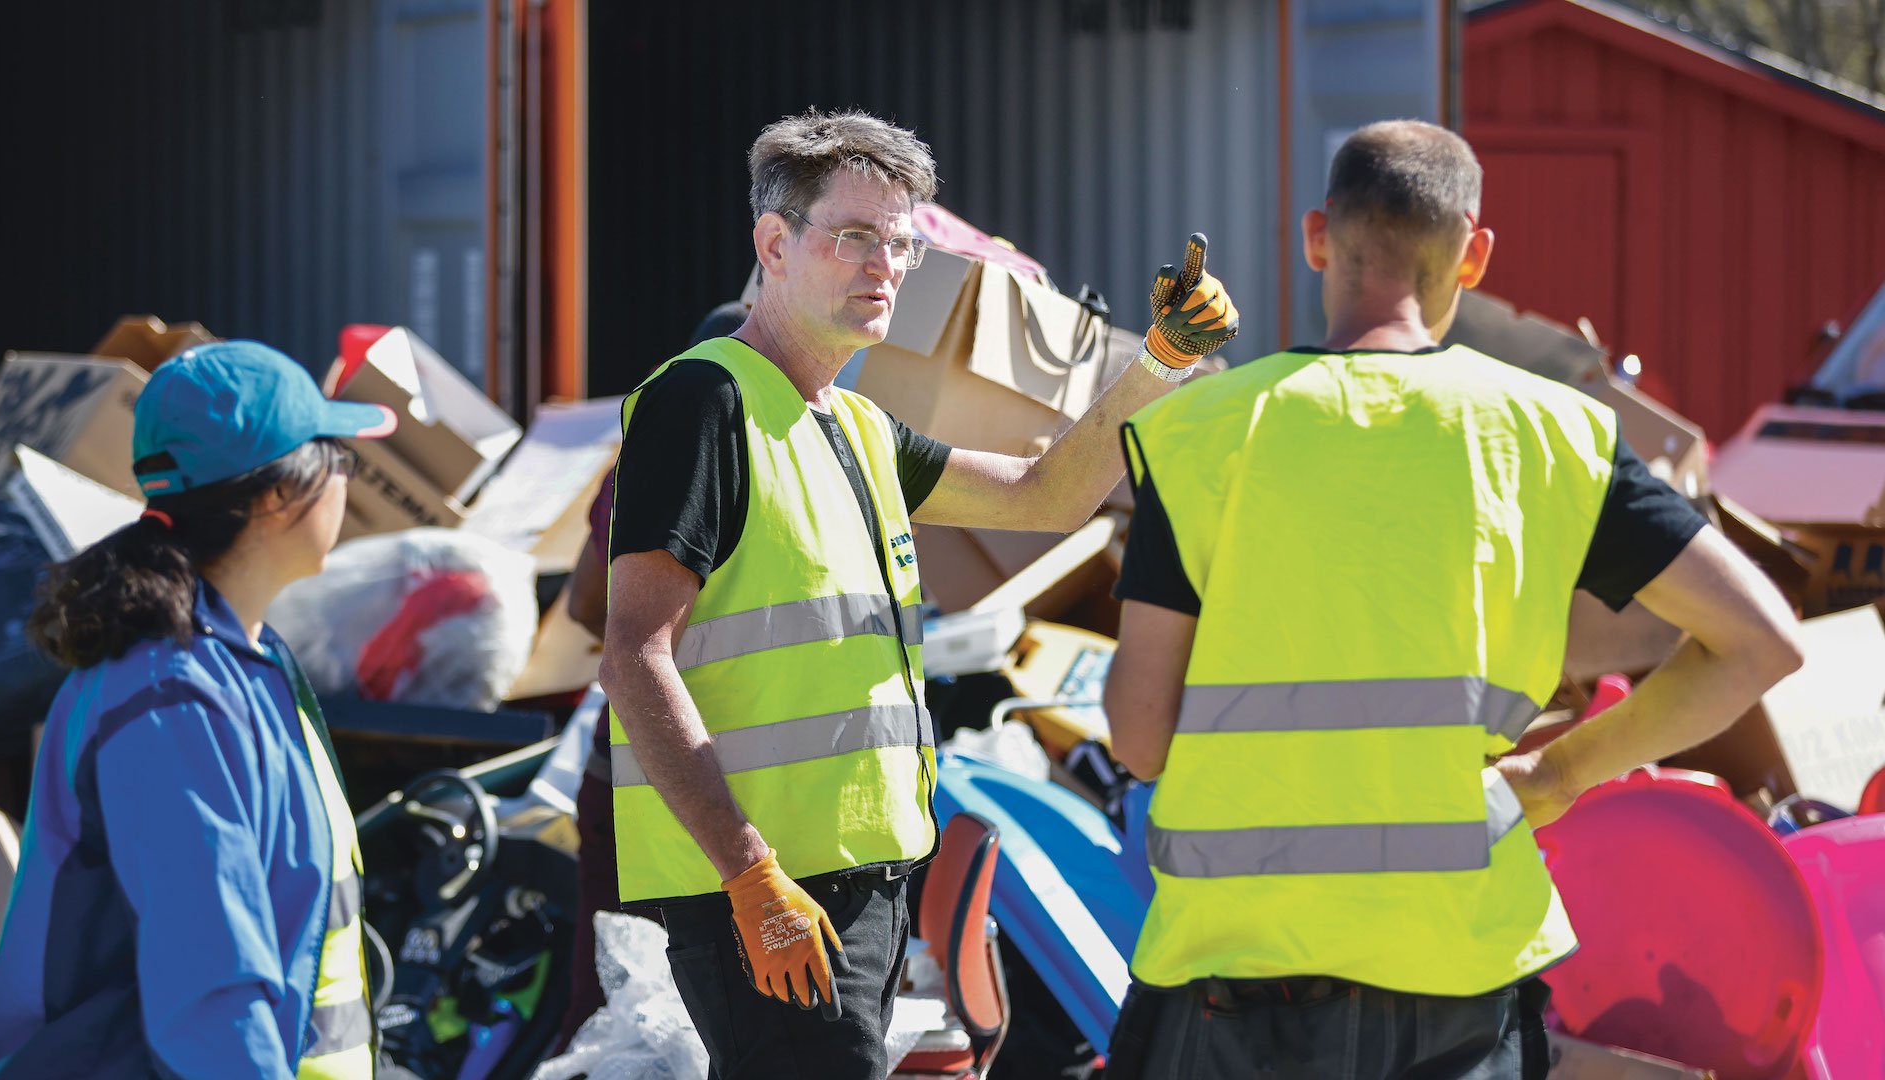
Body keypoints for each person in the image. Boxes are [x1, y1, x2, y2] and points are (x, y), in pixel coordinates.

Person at [1100, 119, 1805, 1080]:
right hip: (1459, 978)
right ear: (1473, 255)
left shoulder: (1199, 434)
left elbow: (1139, 737)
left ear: (1318, 236)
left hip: (1231, 971)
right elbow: (1761, 642)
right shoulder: (1555, 434)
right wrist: (1559, 775)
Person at [598, 108, 1239, 1079]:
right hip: (775, 893)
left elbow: (1047, 495)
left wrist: (1160, 361)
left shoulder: (854, 425)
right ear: (774, 244)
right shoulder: (706, 401)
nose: (884, 264)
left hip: (854, 888)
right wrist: (750, 875)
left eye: (900, 243)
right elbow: (633, 652)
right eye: (854, 236)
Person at [0, 341, 398, 1080]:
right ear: (272, 497)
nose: (347, 482)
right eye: (338, 458)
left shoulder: (242, 664)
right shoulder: (175, 701)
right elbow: (211, 990)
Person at [552, 299, 749, 1052]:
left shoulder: (645, 448)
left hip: (631, 766)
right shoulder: (777, 450)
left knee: (614, 1002)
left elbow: (581, 605)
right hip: (721, 779)